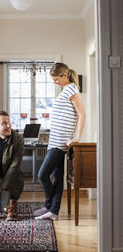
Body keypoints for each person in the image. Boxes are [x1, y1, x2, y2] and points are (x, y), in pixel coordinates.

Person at [34, 62, 86, 221]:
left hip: (60, 142)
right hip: (54, 141)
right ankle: (52, 211)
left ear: (64, 75)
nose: (54, 82)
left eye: (56, 79)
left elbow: (81, 115)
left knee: (42, 175)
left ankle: (50, 205)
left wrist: (76, 138)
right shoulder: (66, 90)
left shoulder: (71, 89)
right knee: (57, 176)